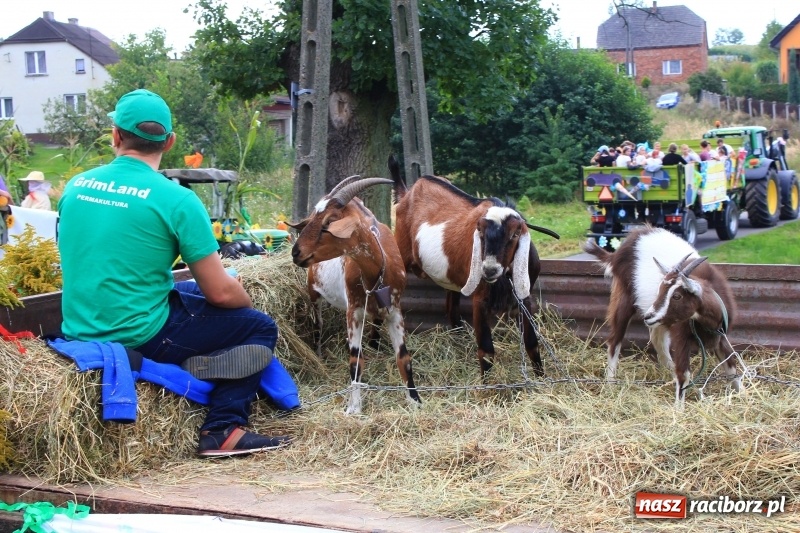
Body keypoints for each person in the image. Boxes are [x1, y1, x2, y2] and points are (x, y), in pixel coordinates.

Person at [58, 89, 291, 457]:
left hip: (79, 326)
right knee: (258, 326)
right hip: (140, 332)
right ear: (169, 141)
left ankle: (202, 365)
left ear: (115, 135)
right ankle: (223, 428)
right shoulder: (177, 200)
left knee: (188, 295)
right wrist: (240, 294)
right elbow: (220, 293)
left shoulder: (76, 186)